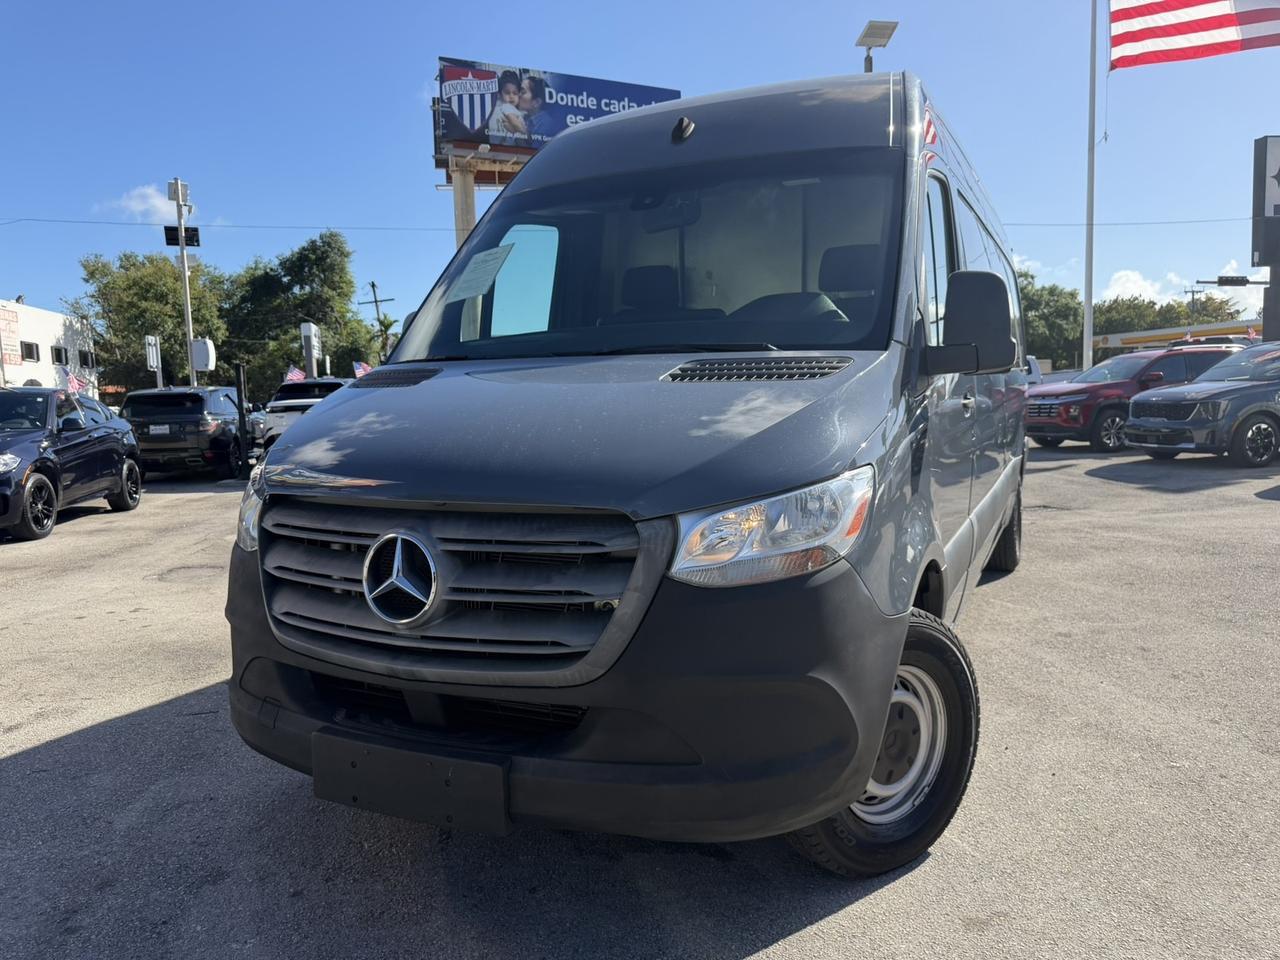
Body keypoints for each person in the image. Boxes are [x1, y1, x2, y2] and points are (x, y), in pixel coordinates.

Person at [486, 70, 527, 144]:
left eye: (515, 93)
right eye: (507, 93)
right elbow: (520, 128)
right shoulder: (506, 107)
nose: (511, 96)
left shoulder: (495, 109)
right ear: (499, 94)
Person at [519, 74, 554, 144]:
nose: (518, 95)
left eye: (523, 92)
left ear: (537, 102)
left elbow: (537, 151)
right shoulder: (525, 119)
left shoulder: (547, 125)